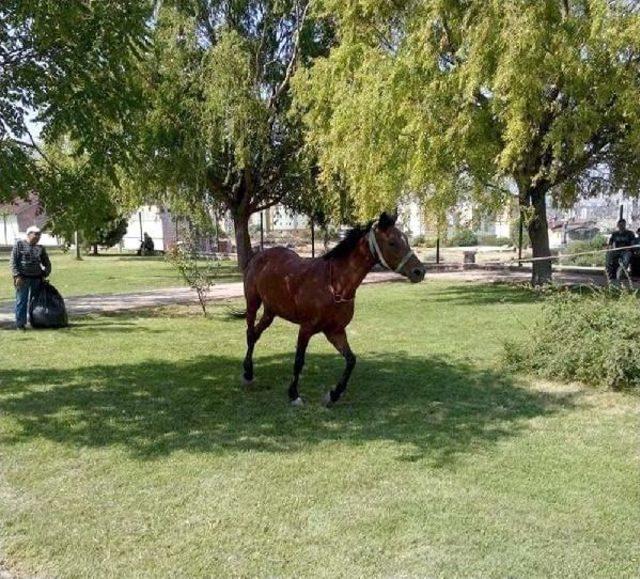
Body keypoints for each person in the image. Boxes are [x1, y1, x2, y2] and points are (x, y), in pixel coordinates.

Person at [10, 226, 52, 330]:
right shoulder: (19, 244)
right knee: (21, 301)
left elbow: (46, 263)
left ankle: (35, 321)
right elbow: (13, 262)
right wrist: (17, 275)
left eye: (39, 235)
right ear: (29, 234)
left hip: (36, 279)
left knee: (36, 302)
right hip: (22, 278)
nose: (38, 237)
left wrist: (45, 273)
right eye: (36, 234)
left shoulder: (40, 248)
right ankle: (20, 324)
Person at [606, 219, 636, 284]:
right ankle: (609, 272)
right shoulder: (614, 234)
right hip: (617, 251)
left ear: (625, 225)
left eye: (623, 225)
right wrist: (609, 248)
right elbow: (610, 243)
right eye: (620, 225)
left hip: (626, 251)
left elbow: (633, 245)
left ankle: (620, 272)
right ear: (618, 225)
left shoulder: (630, 233)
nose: (622, 226)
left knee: (626, 257)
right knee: (608, 254)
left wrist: (629, 249)